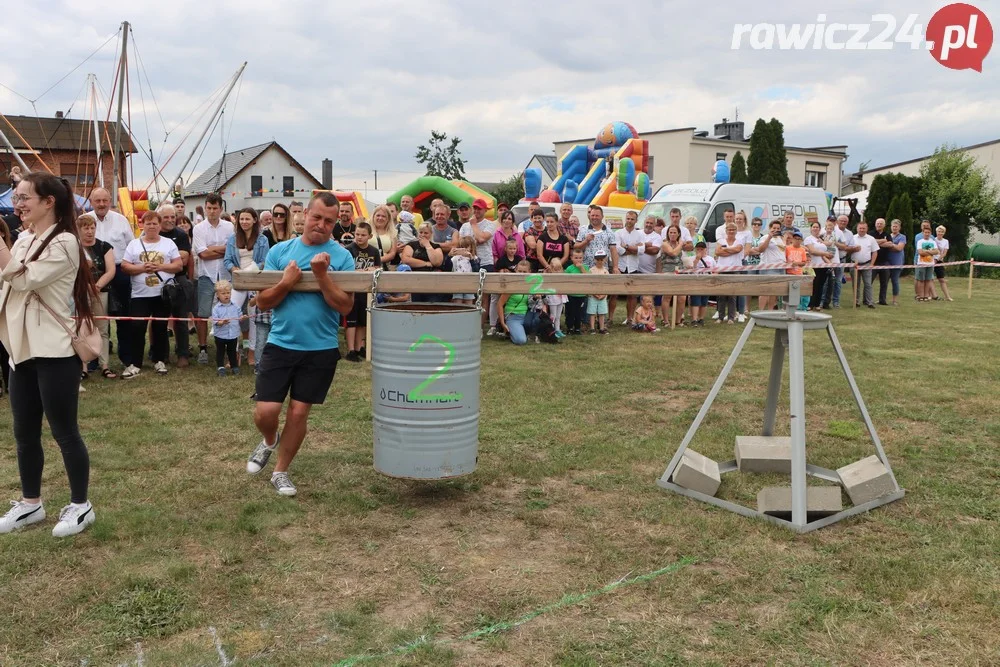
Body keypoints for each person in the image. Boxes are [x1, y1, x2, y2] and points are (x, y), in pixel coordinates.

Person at [0, 173, 99, 537]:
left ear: (48, 202)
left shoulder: (67, 242)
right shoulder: (25, 237)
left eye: (25, 197)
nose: (18, 204)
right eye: (17, 197)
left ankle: (81, 505)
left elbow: (24, 280)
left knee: (64, 432)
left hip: (54, 349)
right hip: (20, 348)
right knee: (24, 433)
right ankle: (30, 504)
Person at [246, 192, 356, 497]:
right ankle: (269, 440)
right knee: (265, 412)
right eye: (317, 217)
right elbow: (262, 301)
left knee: (298, 412)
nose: (321, 225)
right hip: (281, 343)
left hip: (320, 348)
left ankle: (281, 471)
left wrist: (322, 276)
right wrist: (286, 282)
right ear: (304, 214)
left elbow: (345, 308)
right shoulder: (281, 252)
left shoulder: (343, 258)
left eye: (329, 221)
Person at [120, 210, 184, 378]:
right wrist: (142, 268)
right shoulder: (134, 244)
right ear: (143, 225)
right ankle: (135, 363)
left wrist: (159, 267)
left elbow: (178, 266)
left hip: (162, 293)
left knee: (160, 327)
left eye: (155, 223)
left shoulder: (168, 243)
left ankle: (159, 360)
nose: (152, 226)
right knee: (137, 327)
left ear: (159, 225)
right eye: (148, 223)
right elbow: (125, 267)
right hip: (139, 295)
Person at [85, 187, 136, 370]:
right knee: (93, 320)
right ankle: (93, 359)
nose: (101, 204)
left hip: (119, 272)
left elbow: (132, 247)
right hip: (93, 276)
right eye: (97, 201)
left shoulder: (121, 220)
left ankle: (126, 358)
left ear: (110, 201)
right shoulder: (85, 221)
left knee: (123, 317)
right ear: (91, 202)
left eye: (105, 200)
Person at [192, 194, 235, 364]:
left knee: (228, 310)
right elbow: (202, 254)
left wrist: (212, 249)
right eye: (208, 208)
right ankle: (202, 348)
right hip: (206, 275)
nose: (211, 211)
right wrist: (221, 250)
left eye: (215, 208)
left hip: (226, 274)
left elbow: (231, 250)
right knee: (203, 314)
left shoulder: (229, 227)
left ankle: (228, 347)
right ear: (205, 207)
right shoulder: (199, 228)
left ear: (221, 209)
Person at [224, 208, 270, 365]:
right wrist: (233, 269)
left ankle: (252, 352)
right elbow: (227, 260)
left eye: (247, 219)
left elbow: (265, 261)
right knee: (232, 314)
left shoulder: (262, 240)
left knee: (253, 316)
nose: (244, 222)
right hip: (238, 281)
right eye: (241, 219)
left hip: (255, 280)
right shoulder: (232, 239)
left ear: (254, 220)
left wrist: (252, 269)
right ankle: (234, 352)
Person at [77, 215, 117, 379]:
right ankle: (83, 368)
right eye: (86, 228)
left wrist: (98, 286)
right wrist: (87, 287)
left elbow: (110, 270)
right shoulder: (75, 248)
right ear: (79, 230)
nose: (90, 231)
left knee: (102, 329)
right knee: (83, 329)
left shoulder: (104, 246)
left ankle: (105, 365)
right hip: (80, 292)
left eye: (92, 227)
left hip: (101, 292)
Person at [157, 204, 193, 367]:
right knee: (160, 320)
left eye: (172, 217)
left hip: (179, 279)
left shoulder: (181, 234)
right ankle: (160, 354)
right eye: (166, 217)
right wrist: (172, 259)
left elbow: (184, 258)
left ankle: (183, 354)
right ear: (159, 218)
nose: (170, 220)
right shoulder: (153, 233)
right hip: (157, 280)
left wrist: (161, 260)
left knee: (181, 319)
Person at [344, 222, 381, 362]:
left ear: (370, 236)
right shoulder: (348, 250)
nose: (359, 237)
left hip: (366, 292)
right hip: (352, 290)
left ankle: (360, 347)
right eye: (357, 234)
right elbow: (347, 270)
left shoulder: (374, 251)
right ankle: (351, 349)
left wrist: (366, 271)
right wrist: (365, 271)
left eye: (363, 235)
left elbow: (377, 269)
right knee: (351, 321)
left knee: (362, 321)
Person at [402, 222, 446, 302]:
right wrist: (426, 263)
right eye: (421, 232)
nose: (423, 235)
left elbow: (437, 262)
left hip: (431, 281)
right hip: (414, 280)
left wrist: (427, 246)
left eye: (426, 233)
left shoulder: (436, 247)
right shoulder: (411, 245)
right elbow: (406, 259)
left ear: (431, 234)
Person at [614, 210, 644, 325]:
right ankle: (610, 318)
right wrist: (634, 249)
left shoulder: (640, 234)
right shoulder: (618, 233)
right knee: (614, 294)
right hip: (620, 266)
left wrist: (626, 246)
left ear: (636, 221)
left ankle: (630, 318)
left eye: (632, 219)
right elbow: (618, 250)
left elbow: (642, 250)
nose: (629, 221)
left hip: (633, 267)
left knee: (632, 294)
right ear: (625, 219)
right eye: (628, 218)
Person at [713, 221, 744, 324]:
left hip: (734, 270)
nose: (731, 231)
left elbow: (738, 249)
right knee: (721, 294)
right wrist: (731, 250)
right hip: (722, 269)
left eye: (733, 229)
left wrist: (725, 250)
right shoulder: (721, 241)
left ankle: (731, 317)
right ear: (726, 231)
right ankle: (720, 317)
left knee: (732, 294)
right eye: (729, 229)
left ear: (736, 231)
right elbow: (717, 252)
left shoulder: (740, 240)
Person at [497, 260, 533, 345]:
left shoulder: (531, 284)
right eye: (519, 271)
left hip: (527, 315)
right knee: (521, 340)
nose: (521, 274)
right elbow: (499, 304)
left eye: (524, 272)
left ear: (529, 272)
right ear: (515, 270)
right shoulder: (511, 286)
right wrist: (502, 322)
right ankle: (508, 332)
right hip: (514, 316)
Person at [824, 215, 856, 309]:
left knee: (837, 282)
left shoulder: (839, 232)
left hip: (840, 259)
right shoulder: (822, 230)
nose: (832, 222)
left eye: (833, 221)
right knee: (826, 282)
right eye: (830, 220)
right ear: (827, 221)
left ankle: (836, 303)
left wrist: (834, 243)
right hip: (825, 260)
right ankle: (824, 302)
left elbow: (845, 246)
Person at [575, 205, 619, 272]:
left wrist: (615, 267)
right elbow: (576, 248)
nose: (594, 217)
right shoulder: (583, 230)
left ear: (602, 216)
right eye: (592, 215)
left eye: (597, 215)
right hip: (586, 269)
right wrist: (586, 241)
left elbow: (613, 250)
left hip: (603, 270)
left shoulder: (609, 231)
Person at [211, 280, 242, 376]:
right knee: (220, 351)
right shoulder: (216, 308)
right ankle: (220, 367)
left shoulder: (235, 306)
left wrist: (242, 317)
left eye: (228, 293)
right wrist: (222, 322)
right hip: (220, 335)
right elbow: (215, 322)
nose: (226, 295)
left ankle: (234, 367)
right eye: (223, 293)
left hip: (233, 334)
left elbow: (239, 317)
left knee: (232, 351)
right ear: (217, 295)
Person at [657, 224, 684, 326]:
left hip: (679, 271)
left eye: (674, 232)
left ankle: (678, 320)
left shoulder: (679, 244)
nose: (672, 234)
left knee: (682, 298)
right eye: (670, 232)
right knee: (667, 296)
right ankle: (665, 320)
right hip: (668, 271)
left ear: (678, 234)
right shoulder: (665, 244)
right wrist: (681, 244)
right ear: (668, 234)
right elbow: (673, 253)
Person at [756, 219, 786, 310]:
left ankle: (770, 310)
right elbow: (760, 249)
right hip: (768, 267)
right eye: (774, 228)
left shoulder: (780, 238)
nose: (776, 230)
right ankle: (760, 311)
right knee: (765, 290)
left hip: (780, 267)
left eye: (778, 228)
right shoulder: (765, 237)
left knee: (774, 291)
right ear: (770, 228)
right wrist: (769, 237)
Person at [803, 221, 833, 311]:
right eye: (814, 227)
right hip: (813, 265)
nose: (815, 229)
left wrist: (828, 262)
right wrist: (825, 253)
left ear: (820, 229)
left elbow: (822, 255)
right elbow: (812, 251)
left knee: (821, 285)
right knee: (813, 285)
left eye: (817, 227)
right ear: (811, 228)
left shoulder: (820, 240)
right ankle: (810, 304)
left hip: (823, 266)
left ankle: (817, 304)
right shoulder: (809, 239)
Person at [878, 219, 906, 306]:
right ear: (890, 227)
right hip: (887, 262)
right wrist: (891, 245)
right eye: (893, 226)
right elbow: (882, 246)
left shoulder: (902, 237)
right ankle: (882, 299)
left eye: (896, 226)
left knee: (895, 281)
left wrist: (890, 244)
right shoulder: (887, 236)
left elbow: (899, 248)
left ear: (899, 228)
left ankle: (894, 300)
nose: (894, 228)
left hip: (897, 262)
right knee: (884, 281)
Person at [852, 221, 879, 308]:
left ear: (867, 229)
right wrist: (853, 249)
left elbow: (875, 252)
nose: (862, 230)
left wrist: (872, 264)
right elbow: (847, 250)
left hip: (866, 264)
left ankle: (869, 302)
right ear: (857, 228)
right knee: (856, 284)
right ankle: (856, 302)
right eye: (860, 228)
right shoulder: (852, 238)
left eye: (864, 228)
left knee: (868, 284)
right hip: (854, 264)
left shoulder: (871, 239)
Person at [688, 241, 715, 326]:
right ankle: (694, 319)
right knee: (695, 301)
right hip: (696, 282)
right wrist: (696, 260)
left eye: (702, 249)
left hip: (706, 282)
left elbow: (715, 270)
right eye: (698, 249)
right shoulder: (692, 258)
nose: (700, 251)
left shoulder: (710, 259)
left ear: (705, 250)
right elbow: (691, 269)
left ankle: (701, 318)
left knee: (704, 301)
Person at [563, 248, 587, 335]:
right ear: (572, 258)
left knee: (579, 313)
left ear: (583, 258)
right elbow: (565, 280)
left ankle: (577, 328)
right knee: (570, 312)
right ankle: (569, 328)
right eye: (576, 258)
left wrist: (581, 268)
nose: (578, 260)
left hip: (581, 295)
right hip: (571, 295)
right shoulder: (569, 268)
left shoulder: (586, 267)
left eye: (580, 258)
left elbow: (588, 278)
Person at [785, 229, 810, 311]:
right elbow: (784, 260)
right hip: (789, 273)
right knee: (788, 292)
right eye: (795, 238)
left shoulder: (802, 250)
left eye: (799, 239)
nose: (797, 240)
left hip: (798, 273)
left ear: (801, 240)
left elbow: (804, 262)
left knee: (797, 291)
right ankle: (787, 307)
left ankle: (798, 307)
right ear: (792, 239)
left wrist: (796, 263)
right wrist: (790, 264)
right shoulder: (787, 248)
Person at [587, 250, 610, 334]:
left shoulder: (606, 271)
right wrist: (594, 294)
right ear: (594, 260)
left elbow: (608, 284)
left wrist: (604, 294)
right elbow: (590, 284)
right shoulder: (591, 270)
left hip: (603, 296)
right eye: (598, 259)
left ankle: (602, 328)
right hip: (593, 295)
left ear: (605, 260)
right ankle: (592, 328)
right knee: (592, 312)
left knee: (602, 312)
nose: (600, 261)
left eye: (602, 259)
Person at [914, 223, 939, 301]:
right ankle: (921, 296)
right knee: (921, 280)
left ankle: (926, 295)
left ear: (930, 233)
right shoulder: (920, 241)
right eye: (925, 232)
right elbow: (920, 252)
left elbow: (936, 251)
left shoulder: (933, 241)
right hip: (921, 263)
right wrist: (931, 251)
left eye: (928, 233)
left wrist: (927, 251)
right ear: (923, 233)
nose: (927, 234)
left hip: (930, 263)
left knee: (928, 280)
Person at [545, 257, 567, 338]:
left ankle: (558, 330)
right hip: (553, 299)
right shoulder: (549, 277)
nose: (558, 271)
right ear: (551, 269)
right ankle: (552, 330)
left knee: (558, 316)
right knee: (553, 315)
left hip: (560, 298)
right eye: (555, 269)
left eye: (559, 269)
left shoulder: (562, 277)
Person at [934, 225, 954, 301]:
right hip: (931, 261)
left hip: (939, 261)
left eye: (942, 231)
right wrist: (934, 259)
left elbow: (944, 253)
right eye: (939, 231)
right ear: (936, 232)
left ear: (944, 233)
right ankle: (930, 295)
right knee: (929, 279)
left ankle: (947, 296)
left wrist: (938, 259)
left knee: (942, 279)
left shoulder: (946, 241)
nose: (940, 233)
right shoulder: (933, 239)